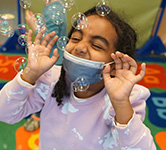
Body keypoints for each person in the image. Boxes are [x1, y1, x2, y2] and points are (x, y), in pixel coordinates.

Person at [0, 5, 156, 150]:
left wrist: (121, 103)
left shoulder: (127, 97)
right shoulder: (51, 80)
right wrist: (30, 74)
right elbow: (4, 113)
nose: (80, 48)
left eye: (97, 46)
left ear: (115, 64)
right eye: (75, 38)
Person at [23, 0, 67, 131]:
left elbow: (47, 38)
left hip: (50, 61)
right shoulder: (56, 6)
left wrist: (33, 24)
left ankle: (37, 117)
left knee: (41, 89)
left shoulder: (51, 9)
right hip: (57, 58)